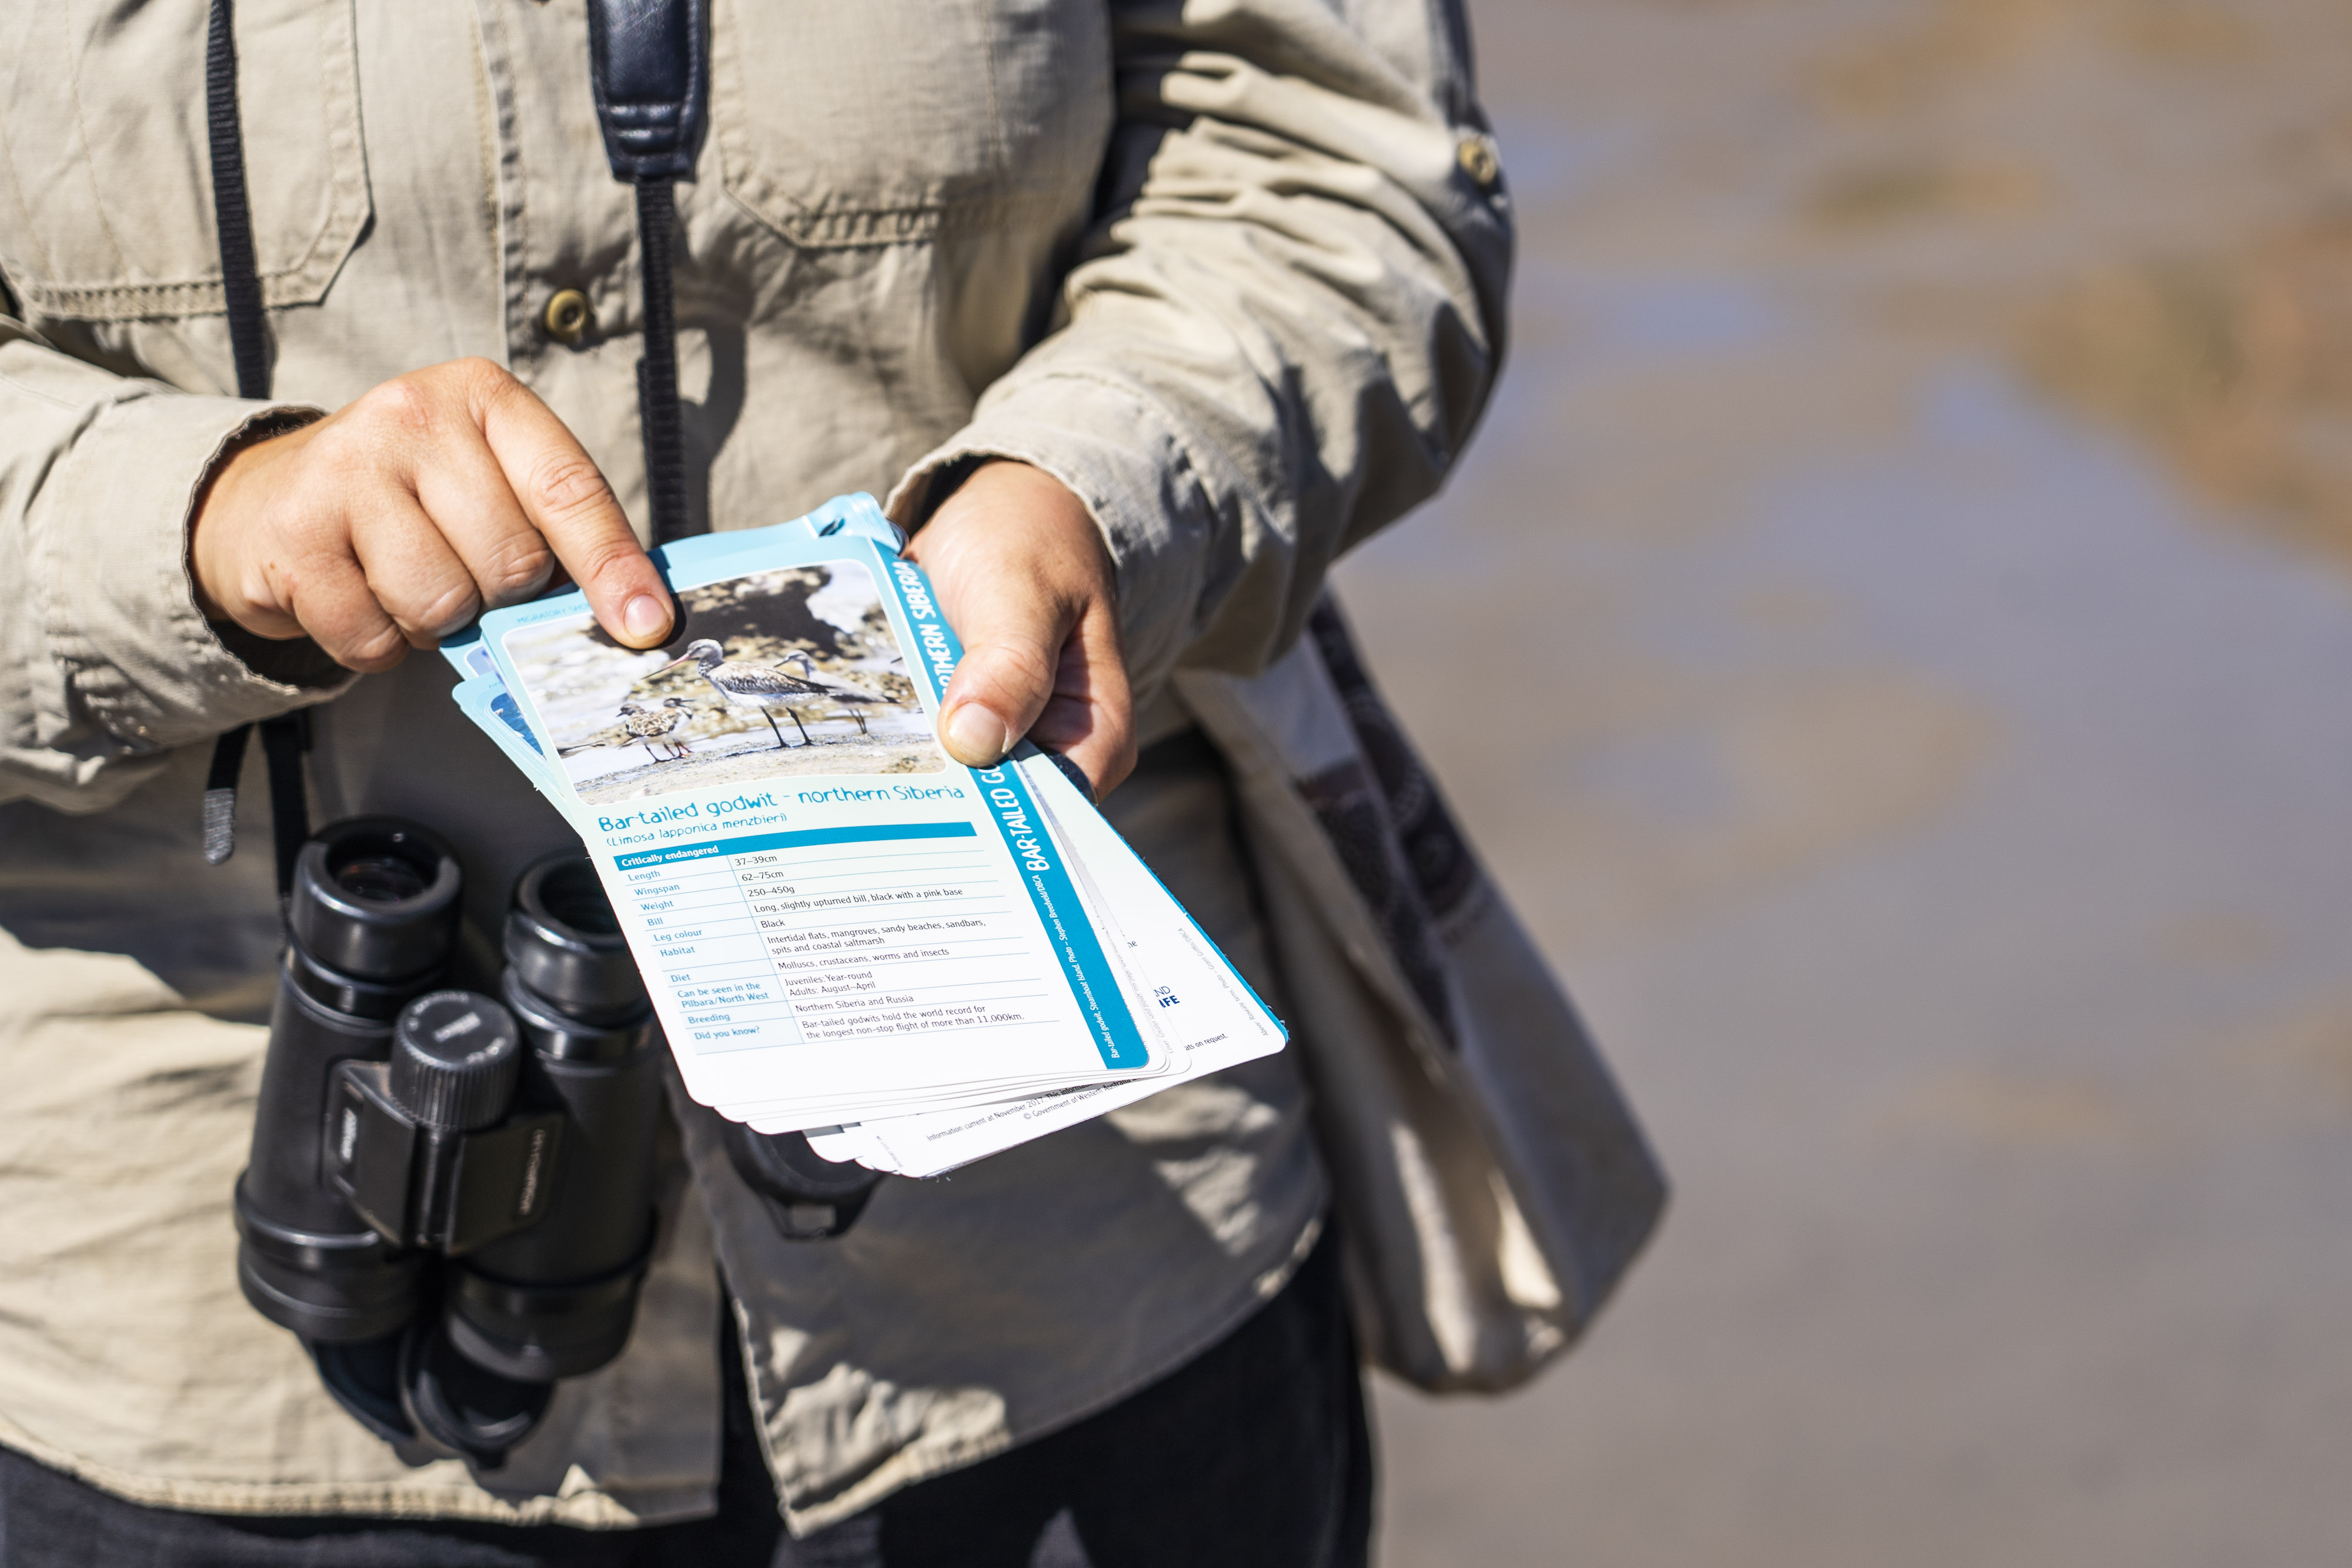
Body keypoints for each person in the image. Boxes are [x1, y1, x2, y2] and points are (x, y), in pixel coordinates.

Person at [0, 0, 1511, 1562]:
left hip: (1069, 1271)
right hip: (177, 1360)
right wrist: (214, 519)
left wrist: (1096, 484)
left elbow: (1336, 160)